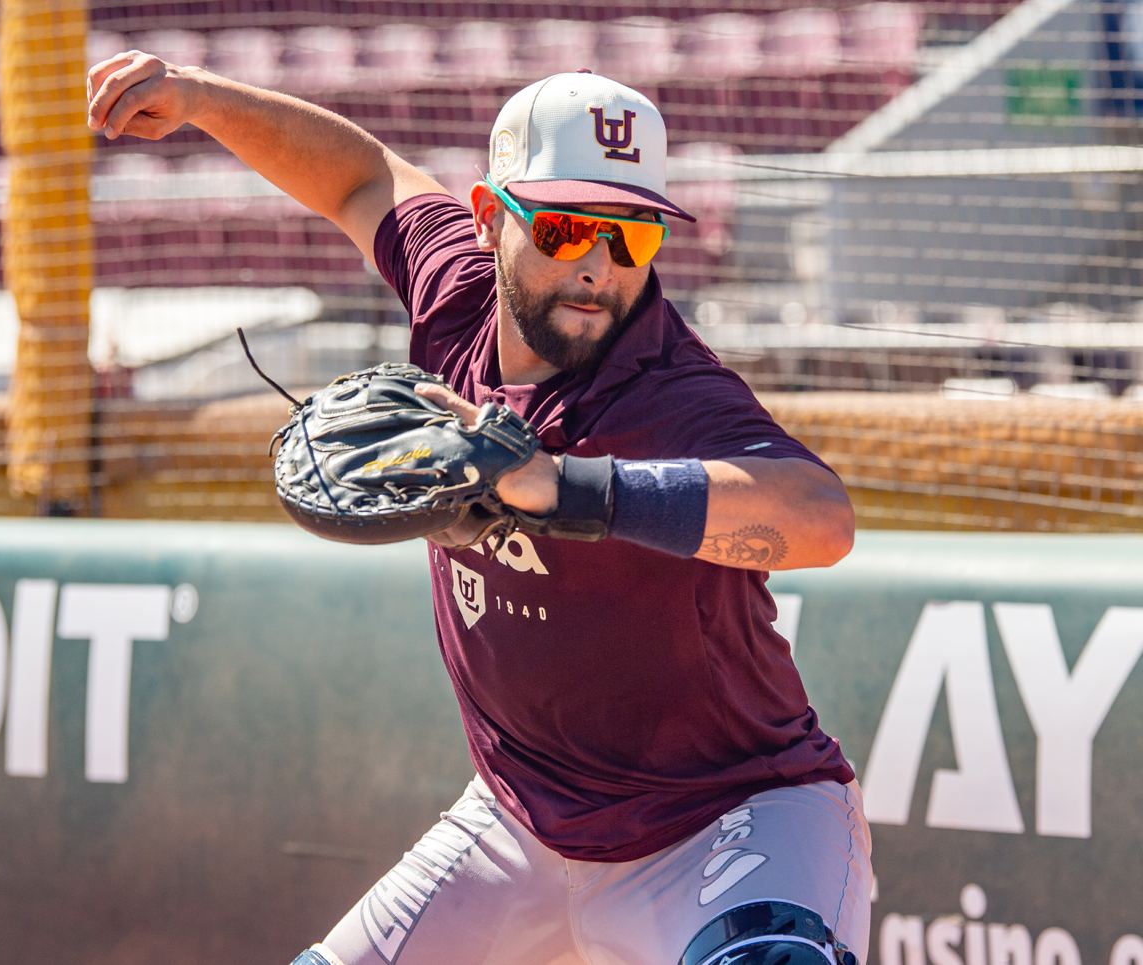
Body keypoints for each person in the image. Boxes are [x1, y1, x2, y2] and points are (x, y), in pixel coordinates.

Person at [87, 52, 873, 965]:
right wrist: (199, 97)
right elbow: (360, 178)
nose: (603, 268)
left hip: (727, 819)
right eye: (572, 228)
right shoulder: (456, 302)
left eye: (636, 236)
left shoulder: (667, 389)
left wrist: (567, 488)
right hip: (520, 822)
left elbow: (823, 516)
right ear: (492, 217)